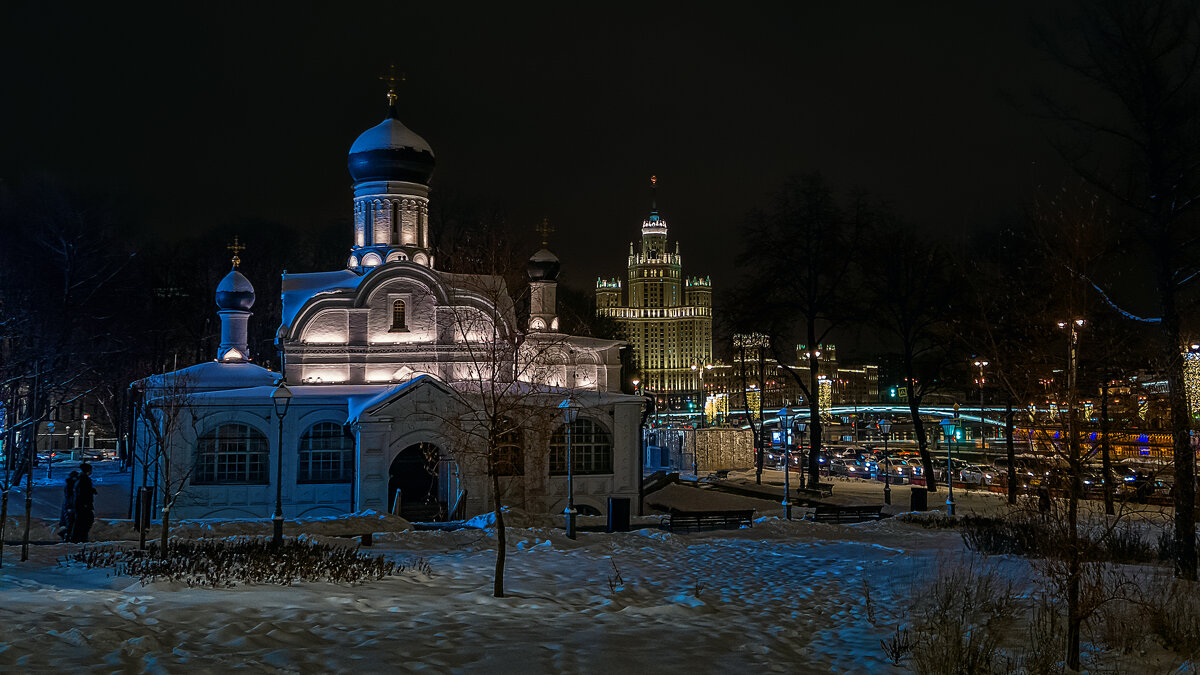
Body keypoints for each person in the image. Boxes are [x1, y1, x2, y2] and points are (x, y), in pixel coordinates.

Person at [70, 463, 97, 543]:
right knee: (84, 521)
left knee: (81, 521)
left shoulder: (81, 478)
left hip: (81, 504)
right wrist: (86, 503)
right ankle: (79, 538)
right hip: (83, 505)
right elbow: (83, 492)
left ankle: (78, 538)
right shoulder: (84, 479)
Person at [57, 470, 79, 541]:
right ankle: (67, 535)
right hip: (70, 506)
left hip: (69, 506)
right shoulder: (71, 486)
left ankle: (67, 535)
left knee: (69, 521)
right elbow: (70, 497)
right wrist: (69, 506)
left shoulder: (69, 485)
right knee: (70, 522)